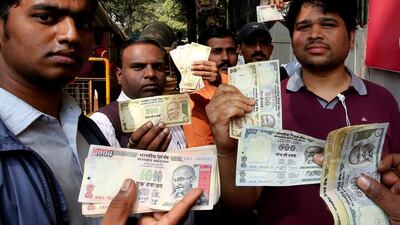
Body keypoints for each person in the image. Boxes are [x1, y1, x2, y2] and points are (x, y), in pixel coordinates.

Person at [205, 0, 400, 225]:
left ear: (352, 36)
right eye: (303, 27)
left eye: (328, 24)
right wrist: (226, 149)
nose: (315, 34)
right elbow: (242, 203)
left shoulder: (382, 100)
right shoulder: (259, 104)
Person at [91, 39, 187, 151]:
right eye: (138, 67)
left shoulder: (175, 114)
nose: (150, 74)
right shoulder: (104, 123)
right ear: (119, 75)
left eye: (158, 67)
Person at [183, 26, 238, 147]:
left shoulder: (248, 85)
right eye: (217, 51)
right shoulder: (194, 97)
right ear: (202, 56)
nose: (225, 57)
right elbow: (200, 150)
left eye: (230, 51)